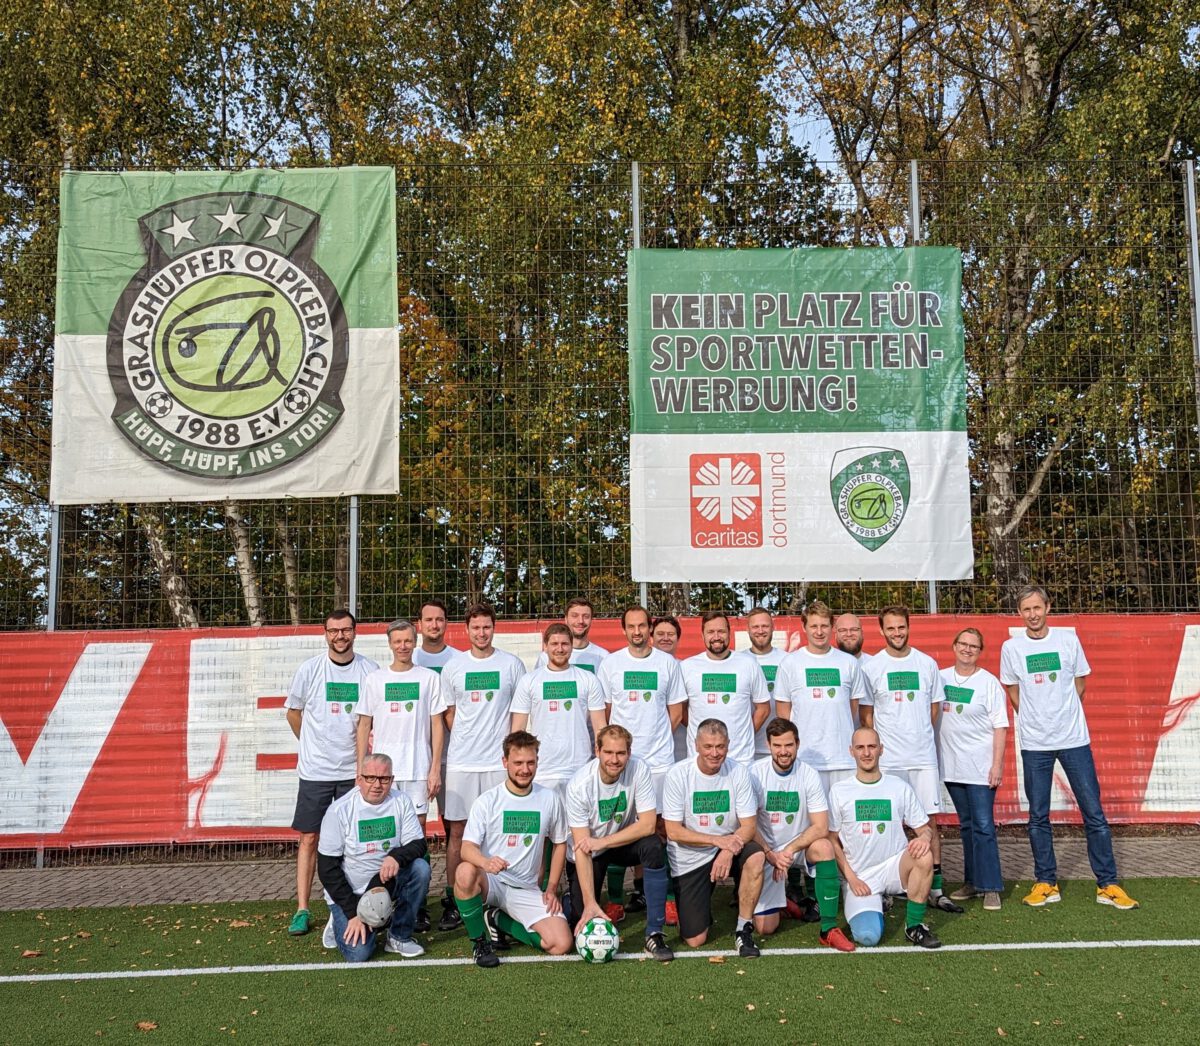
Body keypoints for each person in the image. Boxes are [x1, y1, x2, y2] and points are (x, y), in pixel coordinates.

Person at [999, 585, 1139, 910]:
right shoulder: (1011, 648)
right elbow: (1011, 688)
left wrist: (1063, 716)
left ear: (1047, 607)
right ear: (1019, 613)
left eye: (1037, 607)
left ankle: (1108, 884)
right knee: (1037, 816)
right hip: (1035, 744)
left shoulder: (1067, 640)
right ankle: (1046, 881)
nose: (1032, 614)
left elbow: (1080, 683)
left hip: (1074, 740)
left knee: (1094, 814)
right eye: (1025, 609)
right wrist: (1035, 718)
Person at [284, 609, 380, 937]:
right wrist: (311, 743)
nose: (340, 636)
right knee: (310, 838)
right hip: (316, 772)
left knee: (352, 842)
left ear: (355, 632)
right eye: (333, 631)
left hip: (355, 774)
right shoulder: (310, 670)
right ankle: (301, 908)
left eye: (346, 630)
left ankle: (341, 904)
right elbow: (293, 713)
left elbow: (374, 720)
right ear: (324, 633)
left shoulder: (370, 670)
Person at [859, 605, 961, 913]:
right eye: (890, 628)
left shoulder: (926, 664)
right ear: (881, 630)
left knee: (928, 822)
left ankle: (936, 888)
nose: (896, 633)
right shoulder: (872, 667)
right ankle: (889, 886)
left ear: (908, 627)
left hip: (922, 759)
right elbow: (867, 715)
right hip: (888, 762)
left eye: (901, 627)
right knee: (888, 823)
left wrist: (917, 738)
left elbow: (933, 711)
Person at [437, 604, 527, 931]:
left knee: (496, 832)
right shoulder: (453, 667)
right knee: (458, 833)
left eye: (487, 627)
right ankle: (452, 899)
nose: (482, 633)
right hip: (461, 762)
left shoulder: (512, 665)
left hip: (496, 764)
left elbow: (520, 710)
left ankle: (495, 899)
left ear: (494, 628)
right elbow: (449, 715)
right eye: (476, 628)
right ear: (466, 629)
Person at [595, 606, 688, 920]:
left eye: (641, 626)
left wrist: (656, 738)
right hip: (624, 762)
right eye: (631, 627)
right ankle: (618, 899)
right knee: (620, 824)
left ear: (650, 628)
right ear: (624, 630)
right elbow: (605, 713)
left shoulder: (667, 664)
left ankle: (667, 898)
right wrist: (618, 751)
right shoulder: (610, 664)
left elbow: (676, 710)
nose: (637, 632)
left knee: (662, 830)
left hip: (660, 762)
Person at [453, 731, 572, 967]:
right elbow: (466, 849)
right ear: (505, 762)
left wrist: (550, 887)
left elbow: (559, 844)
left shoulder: (549, 798)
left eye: (531, 762)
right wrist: (485, 863)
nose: (525, 769)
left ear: (537, 762)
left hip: (526, 887)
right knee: (465, 872)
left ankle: (498, 920)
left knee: (561, 944)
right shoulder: (487, 801)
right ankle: (480, 942)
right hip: (491, 881)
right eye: (518, 763)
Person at [564, 724, 674, 961]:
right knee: (577, 919)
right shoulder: (578, 785)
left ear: (629, 753)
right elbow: (582, 847)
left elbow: (647, 825)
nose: (615, 760)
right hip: (587, 855)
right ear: (597, 751)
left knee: (653, 845)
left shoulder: (639, 769)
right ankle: (572, 904)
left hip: (614, 842)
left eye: (621, 753)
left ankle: (654, 933)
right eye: (609, 753)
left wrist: (603, 841)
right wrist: (591, 903)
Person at [828, 728, 942, 949]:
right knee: (868, 937)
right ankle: (876, 903)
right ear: (851, 751)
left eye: (872, 747)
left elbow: (925, 829)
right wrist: (851, 878)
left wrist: (923, 839)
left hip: (894, 866)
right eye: (860, 748)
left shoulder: (899, 787)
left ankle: (914, 926)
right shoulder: (839, 791)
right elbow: (831, 841)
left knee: (924, 856)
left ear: (881, 749)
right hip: (860, 876)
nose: (867, 753)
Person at [662, 718, 766, 958]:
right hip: (691, 856)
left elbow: (749, 826)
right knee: (695, 939)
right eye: (708, 746)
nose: (714, 752)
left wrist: (728, 850)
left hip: (731, 846)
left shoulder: (739, 772)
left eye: (720, 746)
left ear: (728, 745)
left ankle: (744, 929)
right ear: (696, 745)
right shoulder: (678, 775)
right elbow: (674, 832)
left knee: (756, 856)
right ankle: (698, 906)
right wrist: (717, 842)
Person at [750, 718, 855, 951]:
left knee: (825, 847)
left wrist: (789, 851)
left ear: (797, 744)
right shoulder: (754, 774)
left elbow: (820, 826)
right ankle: (784, 903)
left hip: (797, 849)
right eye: (777, 746)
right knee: (765, 928)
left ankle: (828, 929)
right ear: (768, 745)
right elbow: (748, 825)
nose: (783, 751)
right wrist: (771, 854)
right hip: (767, 851)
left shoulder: (808, 774)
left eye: (789, 745)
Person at [316, 753, 431, 961]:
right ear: (358, 779)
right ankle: (337, 919)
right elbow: (326, 868)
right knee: (359, 953)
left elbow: (418, 843)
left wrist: (396, 857)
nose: (377, 785)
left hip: (386, 882)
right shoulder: (339, 811)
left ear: (392, 780)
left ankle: (398, 936)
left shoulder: (401, 801)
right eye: (370, 778)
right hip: (351, 892)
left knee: (420, 869)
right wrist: (351, 913)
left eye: (384, 779)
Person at [937, 627, 1009, 911]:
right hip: (952, 768)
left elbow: (1000, 726)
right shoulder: (940, 678)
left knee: (983, 826)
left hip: (980, 769)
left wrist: (997, 765)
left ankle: (991, 887)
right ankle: (972, 882)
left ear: (980, 652)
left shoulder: (989, 683)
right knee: (966, 827)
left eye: (974, 646)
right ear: (954, 646)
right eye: (963, 644)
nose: (967, 649)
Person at [774, 601, 865, 797]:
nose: (819, 631)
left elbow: (852, 708)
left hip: (843, 759)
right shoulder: (790, 663)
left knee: (843, 821)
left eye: (824, 626)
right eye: (814, 626)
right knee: (812, 821)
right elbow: (783, 713)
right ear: (804, 627)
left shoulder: (849, 663)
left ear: (832, 627)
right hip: (806, 759)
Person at [511, 623, 608, 796]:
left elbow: (600, 727)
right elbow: (517, 731)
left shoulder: (588, 679)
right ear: (545, 646)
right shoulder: (529, 681)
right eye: (554, 644)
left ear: (571, 646)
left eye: (564, 644)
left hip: (580, 767)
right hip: (542, 770)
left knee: (579, 823)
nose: (560, 649)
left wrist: (601, 761)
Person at [679, 612, 775, 767]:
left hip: (741, 759)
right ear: (702, 635)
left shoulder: (748, 664)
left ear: (729, 633)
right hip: (700, 759)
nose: (716, 636)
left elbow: (763, 708)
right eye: (710, 632)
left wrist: (745, 734)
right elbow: (680, 710)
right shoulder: (687, 667)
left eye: (721, 631)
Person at [745, 607, 788, 760]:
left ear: (773, 628)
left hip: (781, 745)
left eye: (765, 626)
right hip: (748, 747)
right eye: (755, 627)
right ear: (748, 630)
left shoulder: (788, 660)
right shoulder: (739, 661)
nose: (760, 631)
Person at [534, 597, 608, 673]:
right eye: (575, 616)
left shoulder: (603, 656)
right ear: (566, 619)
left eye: (586, 616)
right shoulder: (546, 656)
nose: (580, 621)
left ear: (591, 620)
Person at [413, 598, 462, 674]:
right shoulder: (411, 658)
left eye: (439, 620)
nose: (434, 626)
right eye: (429, 620)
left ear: (446, 623)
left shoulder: (460, 659)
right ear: (420, 624)